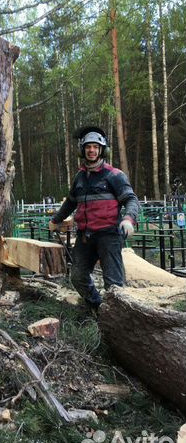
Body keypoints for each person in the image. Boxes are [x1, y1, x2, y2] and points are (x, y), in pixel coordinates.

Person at [49, 125, 139, 310]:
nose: (92, 150)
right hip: (85, 236)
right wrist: (56, 220)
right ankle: (97, 309)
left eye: (96, 147)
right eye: (88, 146)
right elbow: (70, 202)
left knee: (114, 285)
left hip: (109, 235)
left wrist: (129, 218)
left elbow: (131, 199)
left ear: (102, 150)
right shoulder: (80, 177)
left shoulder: (114, 176)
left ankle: (117, 320)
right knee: (77, 276)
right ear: (83, 149)